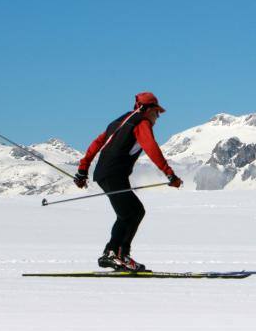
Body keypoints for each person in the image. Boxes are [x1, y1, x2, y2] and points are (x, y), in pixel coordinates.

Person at [73, 92, 183, 272]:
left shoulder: (118, 121)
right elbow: (151, 147)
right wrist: (169, 174)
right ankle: (115, 254)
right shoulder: (141, 122)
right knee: (131, 213)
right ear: (148, 110)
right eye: (157, 112)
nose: (158, 117)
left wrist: (82, 170)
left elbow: (96, 143)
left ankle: (118, 254)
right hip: (114, 174)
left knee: (132, 212)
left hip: (106, 174)